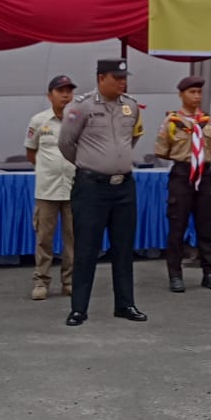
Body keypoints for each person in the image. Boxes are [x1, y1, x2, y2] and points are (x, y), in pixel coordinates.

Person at [58, 58, 149, 327]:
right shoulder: (82, 106)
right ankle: (79, 308)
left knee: (123, 248)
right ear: (101, 78)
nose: (123, 82)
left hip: (124, 187)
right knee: (87, 248)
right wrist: (92, 165)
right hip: (91, 188)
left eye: (124, 78)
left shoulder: (130, 106)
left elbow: (133, 137)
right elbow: (66, 143)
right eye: (117, 78)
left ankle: (125, 304)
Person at [155, 75, 211, 292]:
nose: (196, 96)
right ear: (181, 95)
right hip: (182, 175)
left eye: (199, 92)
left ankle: (209, 273)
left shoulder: (208, 122)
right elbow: (161, 150)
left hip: (204, 174)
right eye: (192, 92)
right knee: (177, 226)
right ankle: (175, 274)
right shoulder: (172, 123)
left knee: (206, 225)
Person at [25, 75, 77, 301]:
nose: (65, 95)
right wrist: (49, 170)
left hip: (75, 189)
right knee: (44, 238)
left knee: (73, 238)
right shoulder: (38, 120)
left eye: (69, 91)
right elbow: (31, 152)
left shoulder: (78, 119)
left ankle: (70, 281)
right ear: (50, 95)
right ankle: (41, 282)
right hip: (47, 190)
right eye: (60, 91)